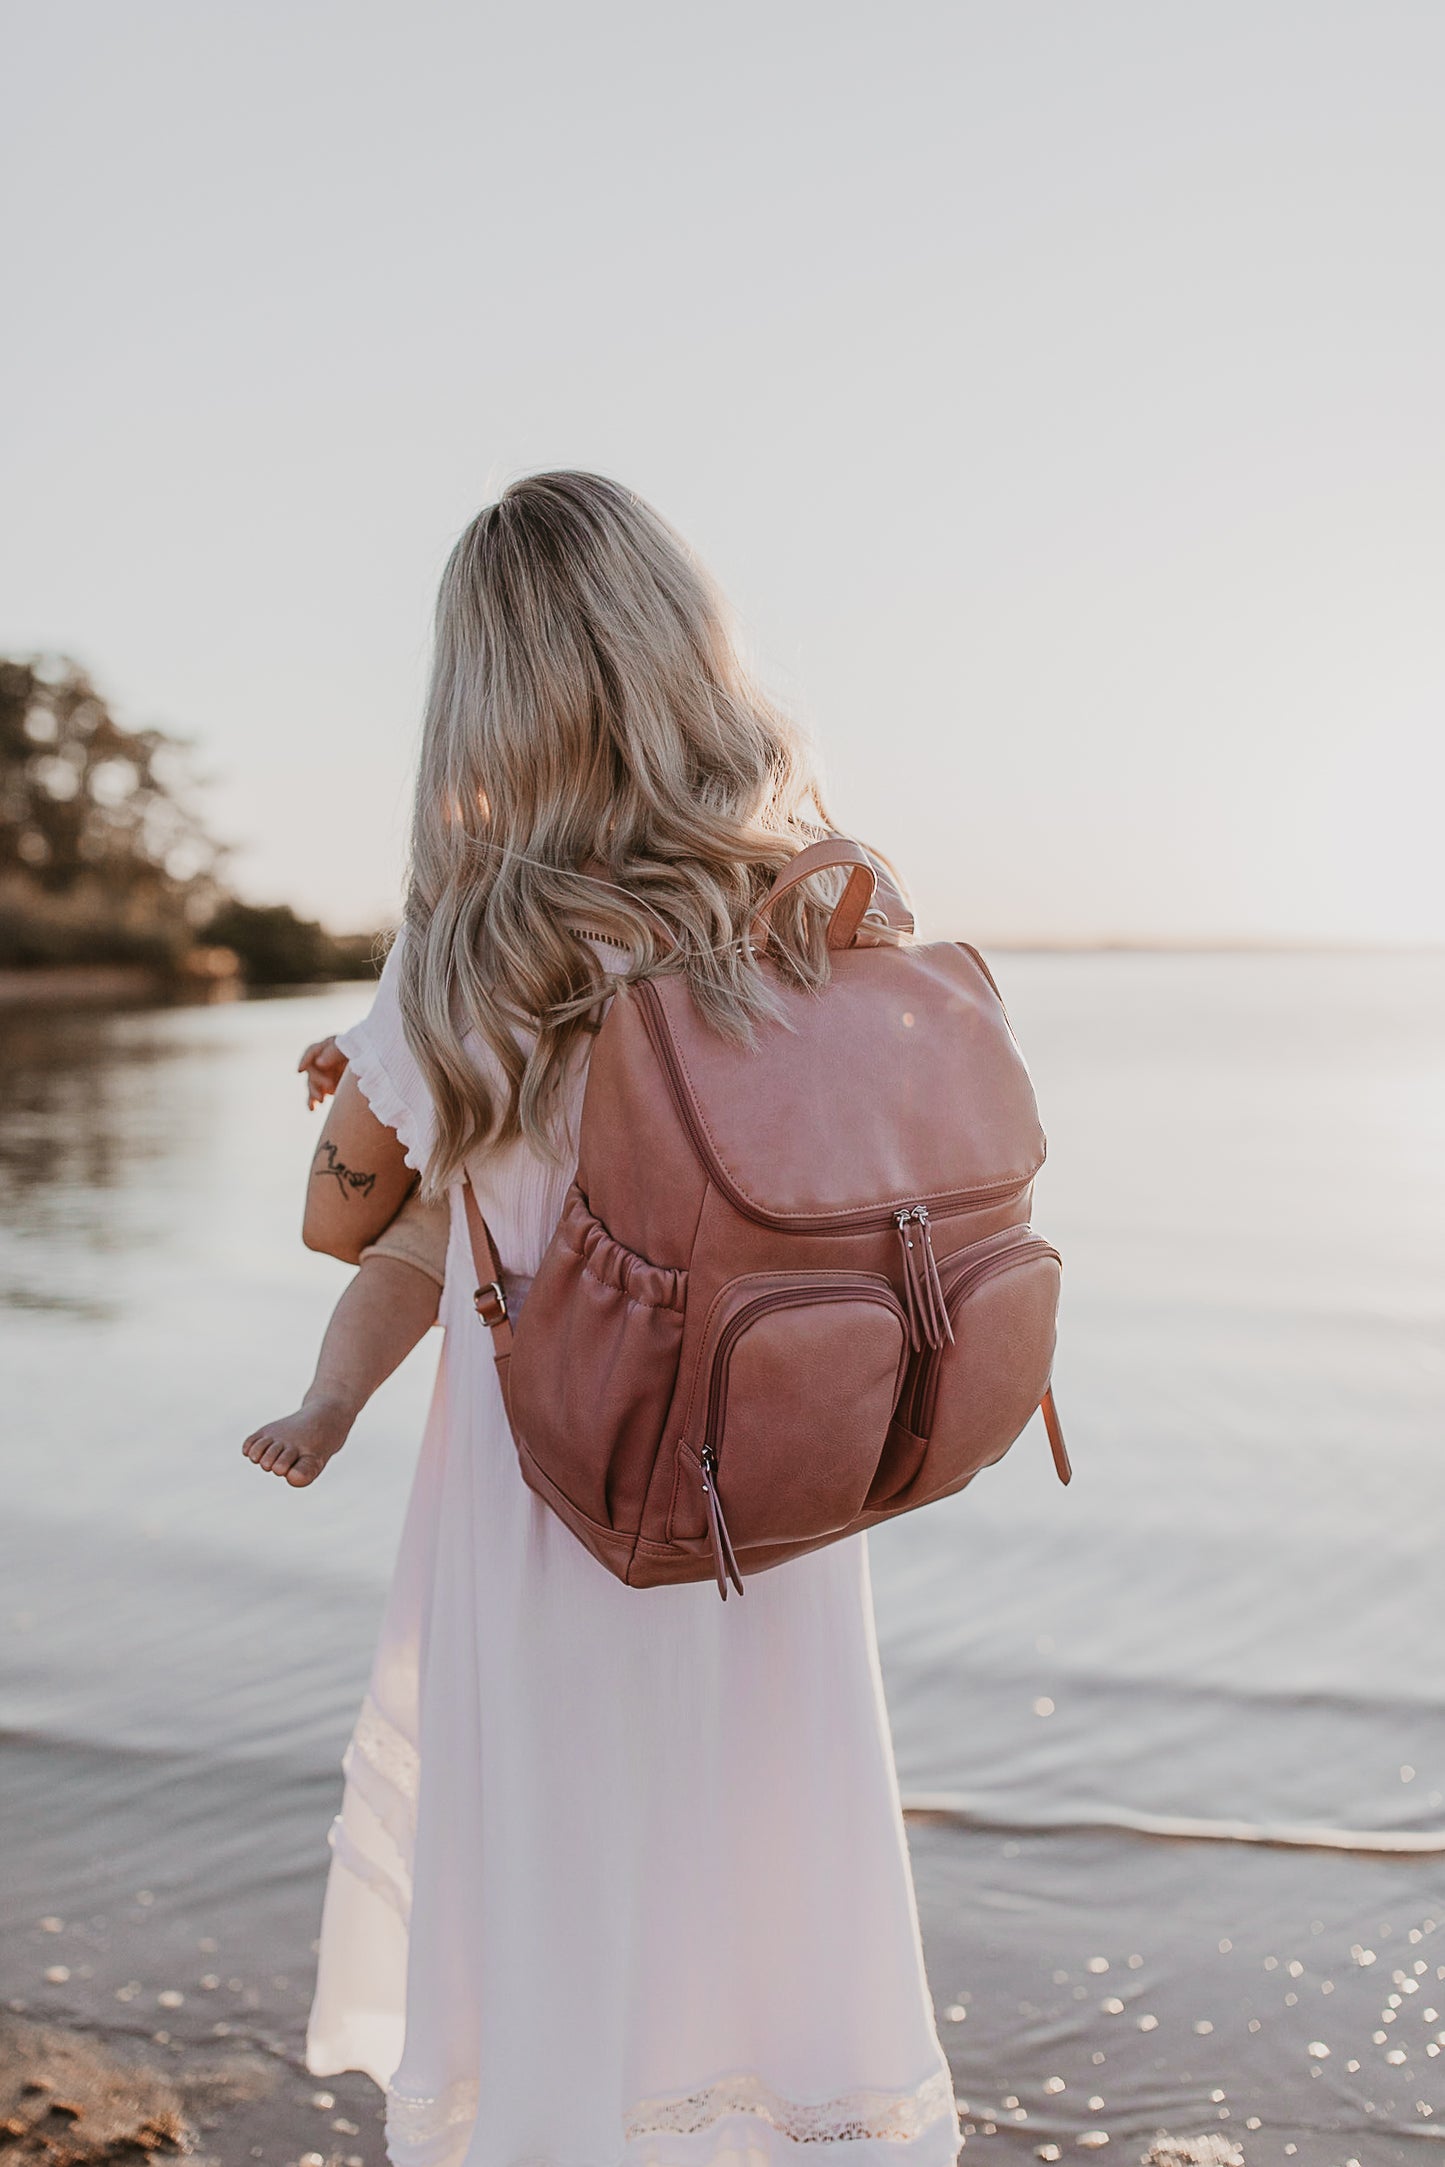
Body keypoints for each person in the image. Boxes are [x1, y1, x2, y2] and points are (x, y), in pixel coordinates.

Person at [243, 472, 960, 2167]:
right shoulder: (818, 913)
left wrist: (364, 1087)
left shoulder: (464, 954)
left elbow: (341, 1218)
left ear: (478, 698)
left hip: (557, 1512)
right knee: (759, 1840)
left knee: (567, 1857)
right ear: (684, 660)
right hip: (773, 1494)